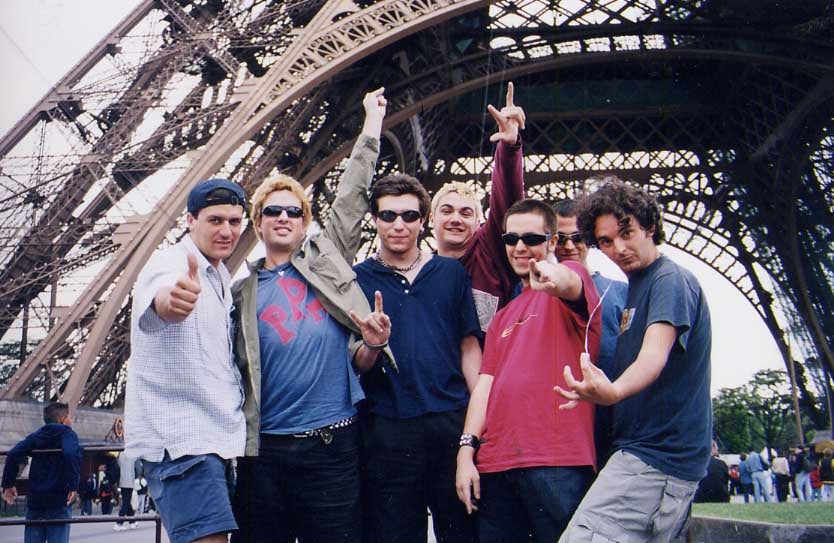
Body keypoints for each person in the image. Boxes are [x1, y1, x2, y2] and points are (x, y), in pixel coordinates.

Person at [230, 88, 392, 543]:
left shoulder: (328, 259)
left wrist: (372, 124)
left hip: (331, 445)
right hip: (264, 455)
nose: (284, 217)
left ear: (305, 223)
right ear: (258, 223)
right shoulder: (236, 295)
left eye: (294, 211)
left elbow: (354, 193)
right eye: (273, 211)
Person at [556, 178, 712, 543]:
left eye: (626, 232)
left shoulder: (669, 279)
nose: (619, 248)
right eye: (606, 241)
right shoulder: (639, 285)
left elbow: (653, 356)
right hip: (647, 456)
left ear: (650, 225)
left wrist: (612, 391)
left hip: (656, 459)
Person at [455, 199, 601, 542]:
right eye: (511, 239)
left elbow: (570, 281)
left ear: (552, 242)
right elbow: (484, 386)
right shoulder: (503, 315)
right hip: (495, 463)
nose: (520, 247)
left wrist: (552, 273)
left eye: (532, 239)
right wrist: (466, 450)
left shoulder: (571, 281)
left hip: (556, 462)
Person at [354, 174, 482, 543]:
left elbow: (468, 347)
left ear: (422, 221)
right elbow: (358, 364)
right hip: (388, 427)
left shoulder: (450, 273)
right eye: (389, 215)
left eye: (409, 216)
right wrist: (374, 344)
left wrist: (480, 418)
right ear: (374, 219)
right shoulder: (357, 279)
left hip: (449, 421)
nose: (399, 224)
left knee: (462, 531)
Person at [124, 175, 248, 543]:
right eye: (215, 220)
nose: (226, 230)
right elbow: (162, 300)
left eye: (235, 221)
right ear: (190, 220)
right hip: (182, 444)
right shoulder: (173, 262)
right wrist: (171, 303)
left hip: (212, 441)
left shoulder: (220, 275)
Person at [430, 81, 526, 329]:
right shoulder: (417, 271)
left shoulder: (489, 253)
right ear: (431, 219)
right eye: (447, 210)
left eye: (466, 212)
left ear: (479, 222)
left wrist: (509, 148)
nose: (456, 219)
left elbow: (508, 204)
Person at [553, 197, 627, 468]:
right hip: (559, 422)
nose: (569, 246)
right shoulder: (532, 293)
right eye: (560, 238)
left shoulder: (620, 291)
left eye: (577, 237)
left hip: (610, 419)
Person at [1, 402, 81, 543]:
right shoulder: (68, 433)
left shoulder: (38, 435)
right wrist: (73, 485)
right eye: (70, 417)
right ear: (62, 420)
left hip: (35, 502)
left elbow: (13, 454)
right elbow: (70, 454)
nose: (72, 420)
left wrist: (8, 484)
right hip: (58, 501)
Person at [114, 452, 138, 530]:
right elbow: (137, 468)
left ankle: (132, 522)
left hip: (122, 481)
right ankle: (119, 523)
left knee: (127, 501)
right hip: (129, 482)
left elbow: (118, 466)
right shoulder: (133, 454)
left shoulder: (120, 455)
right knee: (126, 502)